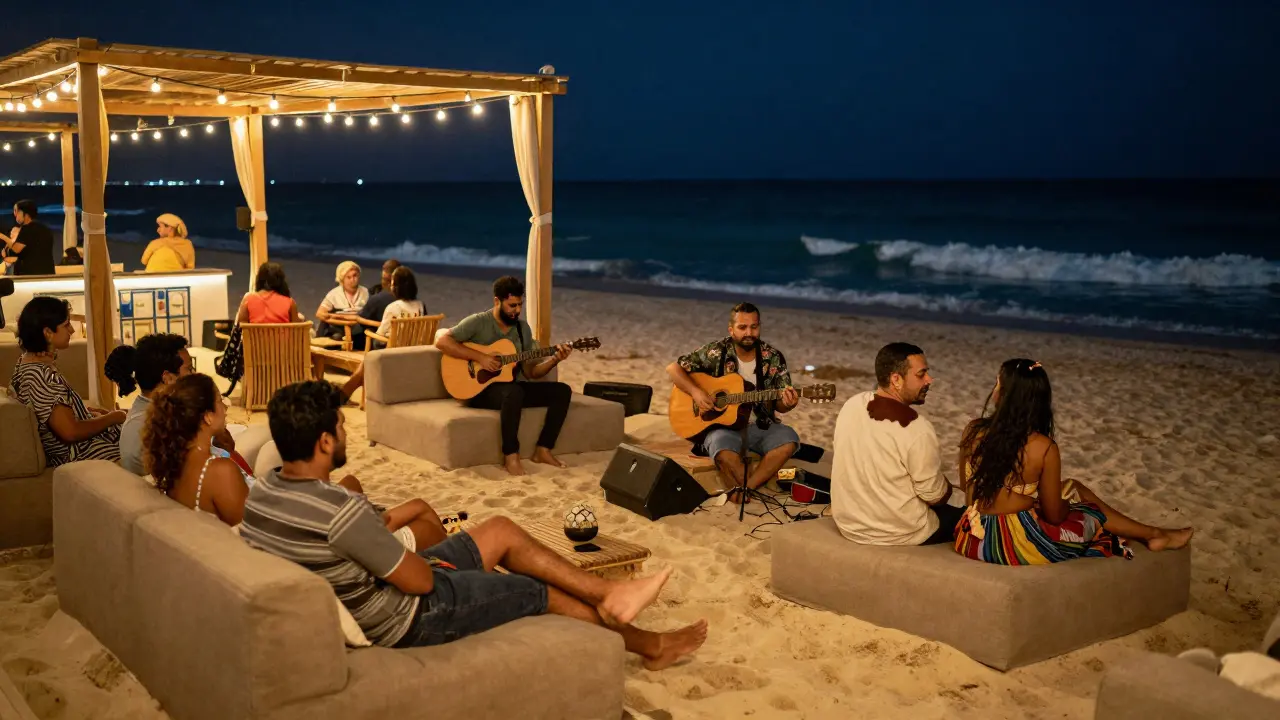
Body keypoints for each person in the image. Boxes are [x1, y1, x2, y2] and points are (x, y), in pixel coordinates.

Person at [240, 380, 707, 666]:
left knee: (500, 529)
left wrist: (382, 542)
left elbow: (347, 545)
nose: (346, 433)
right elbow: (421, 582)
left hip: (370, 583)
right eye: (341, 427)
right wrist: (441, 567)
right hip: (402, 618)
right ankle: (650, 646)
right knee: (534, 591)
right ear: (324, 442)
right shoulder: (339, 510)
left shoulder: (263, 492)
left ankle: (607, 592)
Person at [953, 359, 1193, 564]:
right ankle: (1154, 534)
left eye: (998, 384)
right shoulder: (1043, 447)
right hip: (1013, 546)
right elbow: (1054, 516)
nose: (994, 390)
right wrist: (1063, 506)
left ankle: (1153, 534)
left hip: (971, 538)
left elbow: (967, 487)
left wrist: (1020, 499)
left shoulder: (973, 431)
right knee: (1089, 512)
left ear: (1005, 396)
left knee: (1073, 487)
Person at [435, 276, 575, 476]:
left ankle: (543, 450)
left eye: (520, 305)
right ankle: (511, 456)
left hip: (510, 388)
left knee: (561, 391)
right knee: (514, 392)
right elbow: (442, 342)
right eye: (511, 305)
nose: (516, 310)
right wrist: (481, 358)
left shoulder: (522, 329)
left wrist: (555, 359)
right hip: (477, 390)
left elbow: (531, 373)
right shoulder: (478, 322)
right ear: (497, 301)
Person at [665, 302, 800, 502]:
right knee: (721, 447)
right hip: (723, 427)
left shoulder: (772, 358)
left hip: (760, 426)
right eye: (742, 327)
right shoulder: (716, 351)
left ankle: (747, 489)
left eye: (754, 327)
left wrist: (788, 403)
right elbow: (673, 369)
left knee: (789, 440)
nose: (749, 333)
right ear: (731, 329)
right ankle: (746, 487)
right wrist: (696, 392)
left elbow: (781, 404)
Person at [831, 343, 960, 545]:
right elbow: (933, 495)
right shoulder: (917, 428)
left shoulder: (852, 404)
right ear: (896, 380)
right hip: (897, 533)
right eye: (921, 375)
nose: (929, 380)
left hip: (849, 524)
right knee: (966, 516)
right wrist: (950, 487)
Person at [9, 297, 125, 466]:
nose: (71, 330)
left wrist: (88, 414)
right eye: (66, 325)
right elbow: (70, 431)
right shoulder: (41, 376)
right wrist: (113, 418)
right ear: (48, 332)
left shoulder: (27, 362)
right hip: (81, 453)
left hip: (82, 447)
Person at [104, 333, 240, 476]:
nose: (194, 375)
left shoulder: (151, 415)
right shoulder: (160, 427)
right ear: (168, 378)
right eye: (189, 369)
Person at [337, 266, 425, 398]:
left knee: (367, 360)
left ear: (395, 287)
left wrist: (369, 334)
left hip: (393, 354)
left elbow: (379, 336)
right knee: (365, 365)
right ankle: (345, 392)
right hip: (414, 351)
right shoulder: (420, 305)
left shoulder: (393, 307)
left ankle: (344, 392)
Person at [314, 260, 368, 341]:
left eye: (355, 276)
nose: (352, 279)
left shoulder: (365, 292)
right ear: (342, 279)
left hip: (359, 329)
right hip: (339, 328)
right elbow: (319, 313)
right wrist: (336, 317)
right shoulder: (334, 294)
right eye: (348, 277)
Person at [236, 262, 303, 324]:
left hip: (256, 337)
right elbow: (297, 329)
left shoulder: (248, 299)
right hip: (282, 337)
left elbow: (240, 325)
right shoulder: (289, 302)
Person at [3, 200, 56, 276]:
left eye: (17, 211)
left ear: (25, 214)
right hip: (47, 272)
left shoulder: (27, 229)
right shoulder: (43, 228)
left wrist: (3, 237)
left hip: (31, 275)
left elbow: (15, 251)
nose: (15, 214)